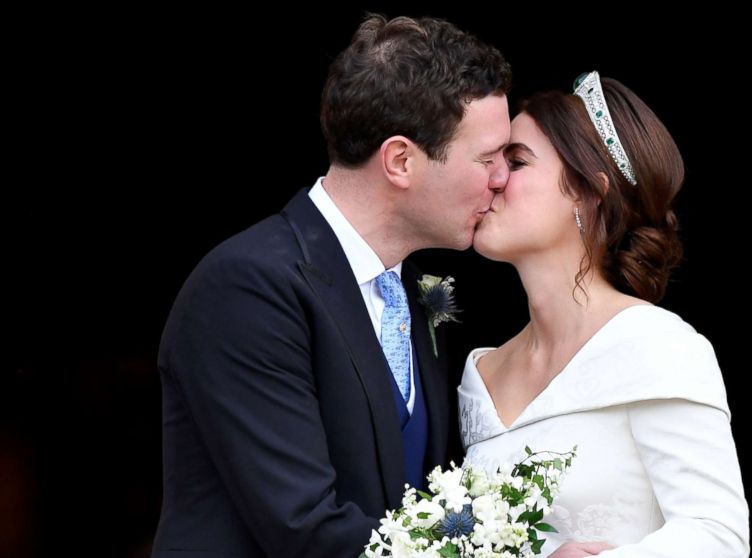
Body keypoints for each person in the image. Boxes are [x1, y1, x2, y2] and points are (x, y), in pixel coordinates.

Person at [152, 15, 512, 558]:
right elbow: (304, 528)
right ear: (400, 160)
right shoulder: (248, 288)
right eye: (487, 158)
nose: (502, 177)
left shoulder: (414, 291)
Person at [459, 71, 750, 557]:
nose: (493, 178)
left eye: (516, 160)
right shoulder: (481, 373)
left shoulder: (658, 346)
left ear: (589, 192)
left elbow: (719, 536)